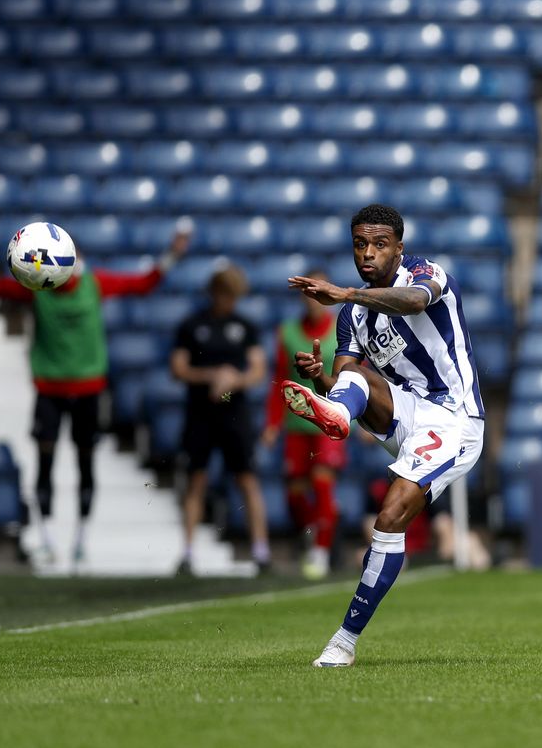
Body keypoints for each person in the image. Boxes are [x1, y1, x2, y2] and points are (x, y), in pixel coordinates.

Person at [280, 203, 485, 667]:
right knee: (353, 379)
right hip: (404, 411)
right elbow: (344, 375)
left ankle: (343, 641)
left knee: (390, 516)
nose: (367, 253)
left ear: (399, 247)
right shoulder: (351, 316)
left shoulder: (426, 273)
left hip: (454, 418)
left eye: (379, 244)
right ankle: (334, 416)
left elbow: (414, 302)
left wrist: (347, 293)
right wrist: (319, 381)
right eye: (359, 244)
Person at [0, 225, 191, 565]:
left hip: (88, 388)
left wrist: (173, 255)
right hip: (49, 388)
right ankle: (47, 536)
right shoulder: (38, 289)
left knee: (85, 462)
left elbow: (144, 283)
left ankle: (81, 538)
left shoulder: (95, 284)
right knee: (45, 462)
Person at [171, 264, 269, 576]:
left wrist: (233, 380)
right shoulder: (192, 325)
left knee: (247, 479)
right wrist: (212, 375)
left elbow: (257, 369)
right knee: (196, 479)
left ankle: (260, 550)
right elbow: (178, 368)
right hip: (201, 411)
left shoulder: (245, 326)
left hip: (234, 411)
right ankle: (187, 552)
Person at [261, 270, 346, 580]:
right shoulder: (287, 332)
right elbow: (279, 381)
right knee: (295, 495)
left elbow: (353, 375)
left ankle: (321, 553)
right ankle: (322, 528)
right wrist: (271, 423)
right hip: (296, 425)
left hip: (328, 423)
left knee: (322, 483)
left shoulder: (340, 330)